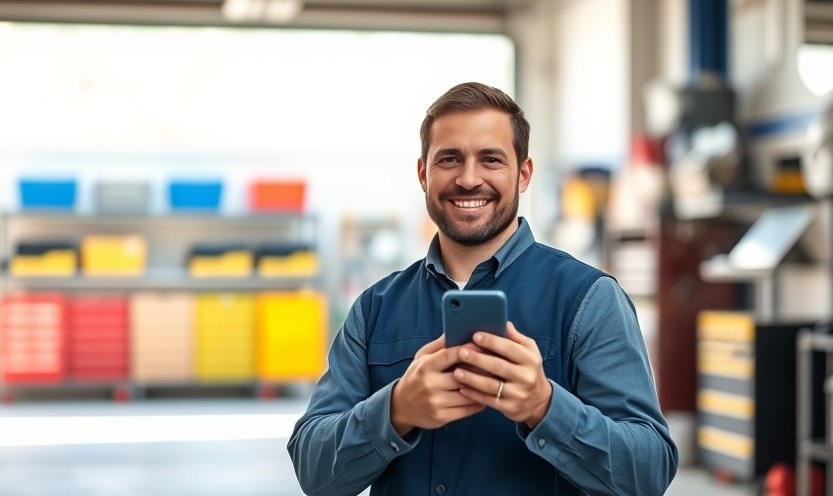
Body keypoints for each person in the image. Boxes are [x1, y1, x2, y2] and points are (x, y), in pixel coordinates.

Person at [287, 82, 679, 496]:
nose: (469, 179)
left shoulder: (589, 300)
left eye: (490, 159)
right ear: (423, 174)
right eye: (449, 159)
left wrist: (545, 407)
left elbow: (647, 473)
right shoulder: (374, 309)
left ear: (523, 174)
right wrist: (397, 409)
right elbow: (315, 473)